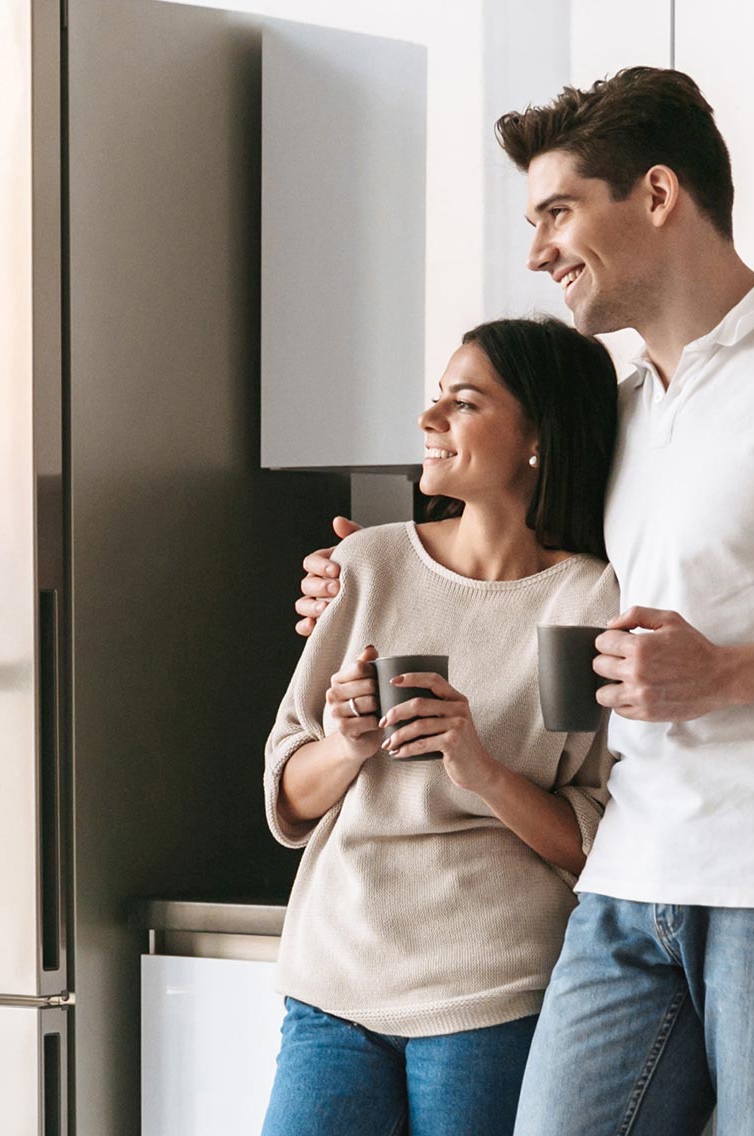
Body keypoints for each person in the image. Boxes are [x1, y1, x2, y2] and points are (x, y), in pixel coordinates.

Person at [295, 68, 754, 1135]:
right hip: (630, 872)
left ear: (655, 193)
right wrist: (373, 568)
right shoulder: (625, 410)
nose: (538, 249)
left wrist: (728, 672)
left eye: (557, 210)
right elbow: (516, 569)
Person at [260, 316, 620, 1136]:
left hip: (490, 996)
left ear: (539, 438)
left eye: (463, 404)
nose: (429, 422)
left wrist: (483, 768)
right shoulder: (364, 567)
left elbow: (594, 838)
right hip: (333, 982)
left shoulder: (588, 605)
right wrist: (346, 747)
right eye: (436, 401)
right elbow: (287, 788)